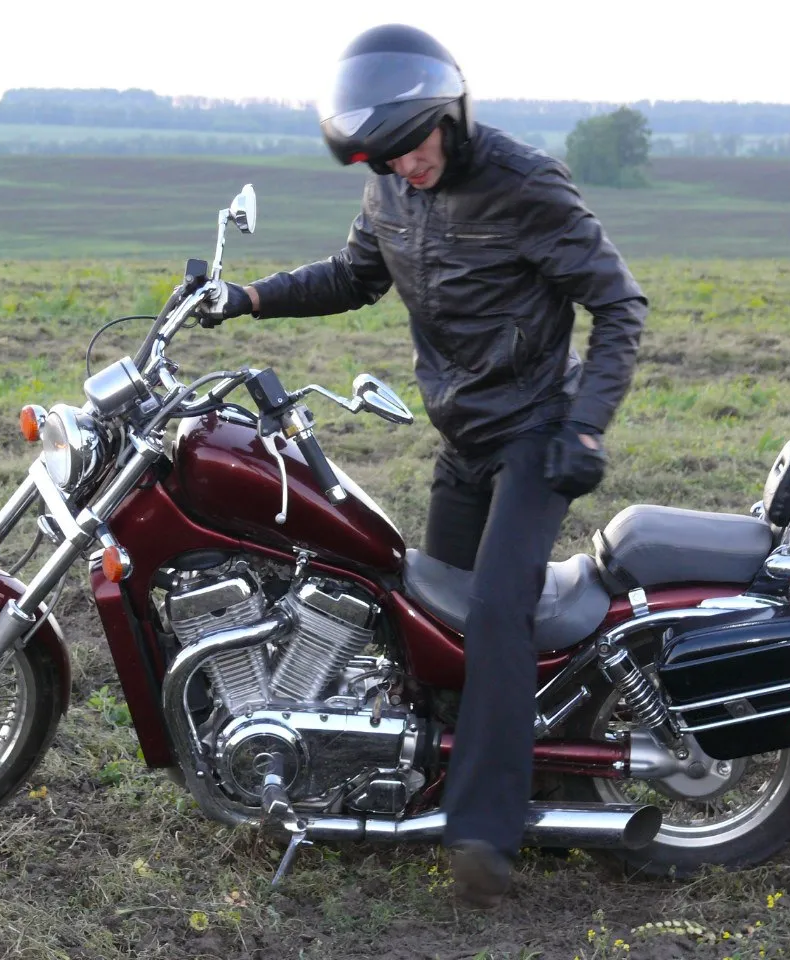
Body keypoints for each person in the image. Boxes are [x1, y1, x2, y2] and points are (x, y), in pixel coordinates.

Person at [197, 23, 647, 907]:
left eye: (414, 146)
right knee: (425, 618)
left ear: (452, 114)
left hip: (535, 432)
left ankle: (483, 831)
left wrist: (587, 427)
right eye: (386, 157)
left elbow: (618, 304)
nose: (406, 166)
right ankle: (422, 782)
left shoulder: (525, 184)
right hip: (464, 437)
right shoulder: (391, 191)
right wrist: (246, 299)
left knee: (496, 613)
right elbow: (352, 276)